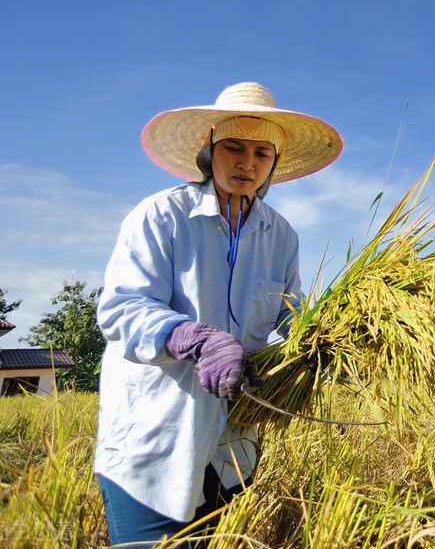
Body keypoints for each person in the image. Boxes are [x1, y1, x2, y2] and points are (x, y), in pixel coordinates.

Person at [93, 82, 343, 546]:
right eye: (234, 147)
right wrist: (196, 338)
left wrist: (328, 346)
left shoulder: (281, 236)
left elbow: (291, 320)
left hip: (233, 450)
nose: (247, 163)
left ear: (274, 162)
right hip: (155, 439)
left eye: (262, 153)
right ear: (210, 151)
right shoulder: (161, 216)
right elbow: (121, 307)